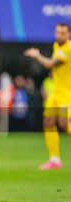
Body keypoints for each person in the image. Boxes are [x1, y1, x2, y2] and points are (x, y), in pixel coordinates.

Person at [24, 23, 71, 170]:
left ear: (68, 34)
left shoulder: (68, 49)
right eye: (57, 32)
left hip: (66, 93)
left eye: (63, 33)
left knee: (64, 124)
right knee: (48, 121)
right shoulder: (57, 46)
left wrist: (37, 55)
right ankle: (55, 159)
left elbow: (50, 64)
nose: (59, 35)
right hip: (55, 93)